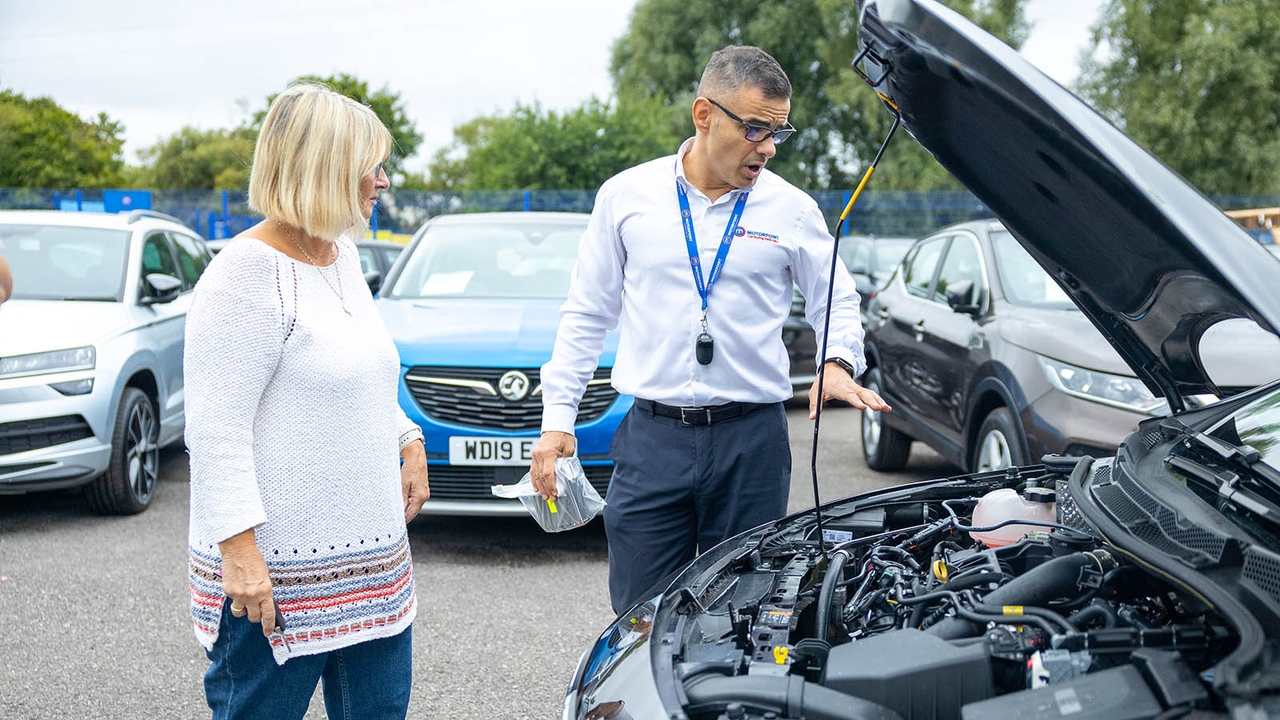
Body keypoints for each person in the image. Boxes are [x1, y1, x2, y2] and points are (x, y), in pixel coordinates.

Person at [530, 46, 891, 615]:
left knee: (747, 615)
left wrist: (837, 363)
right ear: (704, 115)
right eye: (754, 129)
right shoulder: (627, 198)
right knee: (640, 618)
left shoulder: (792, 210)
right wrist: (557, 422)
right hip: (653, 438)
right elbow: (586, 313)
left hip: (752, 444)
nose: (768, 148)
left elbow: (835, 297)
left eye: (778, 132)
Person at [183, 82, 429, 720]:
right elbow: (215, 432)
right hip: (279, 577)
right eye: (370, 166)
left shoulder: (340, 253)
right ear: (326, 169)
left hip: (372, 567)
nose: (382, 181)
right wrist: (239, 555)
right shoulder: (244, 274)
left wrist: (408, 437)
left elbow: (362, 375)